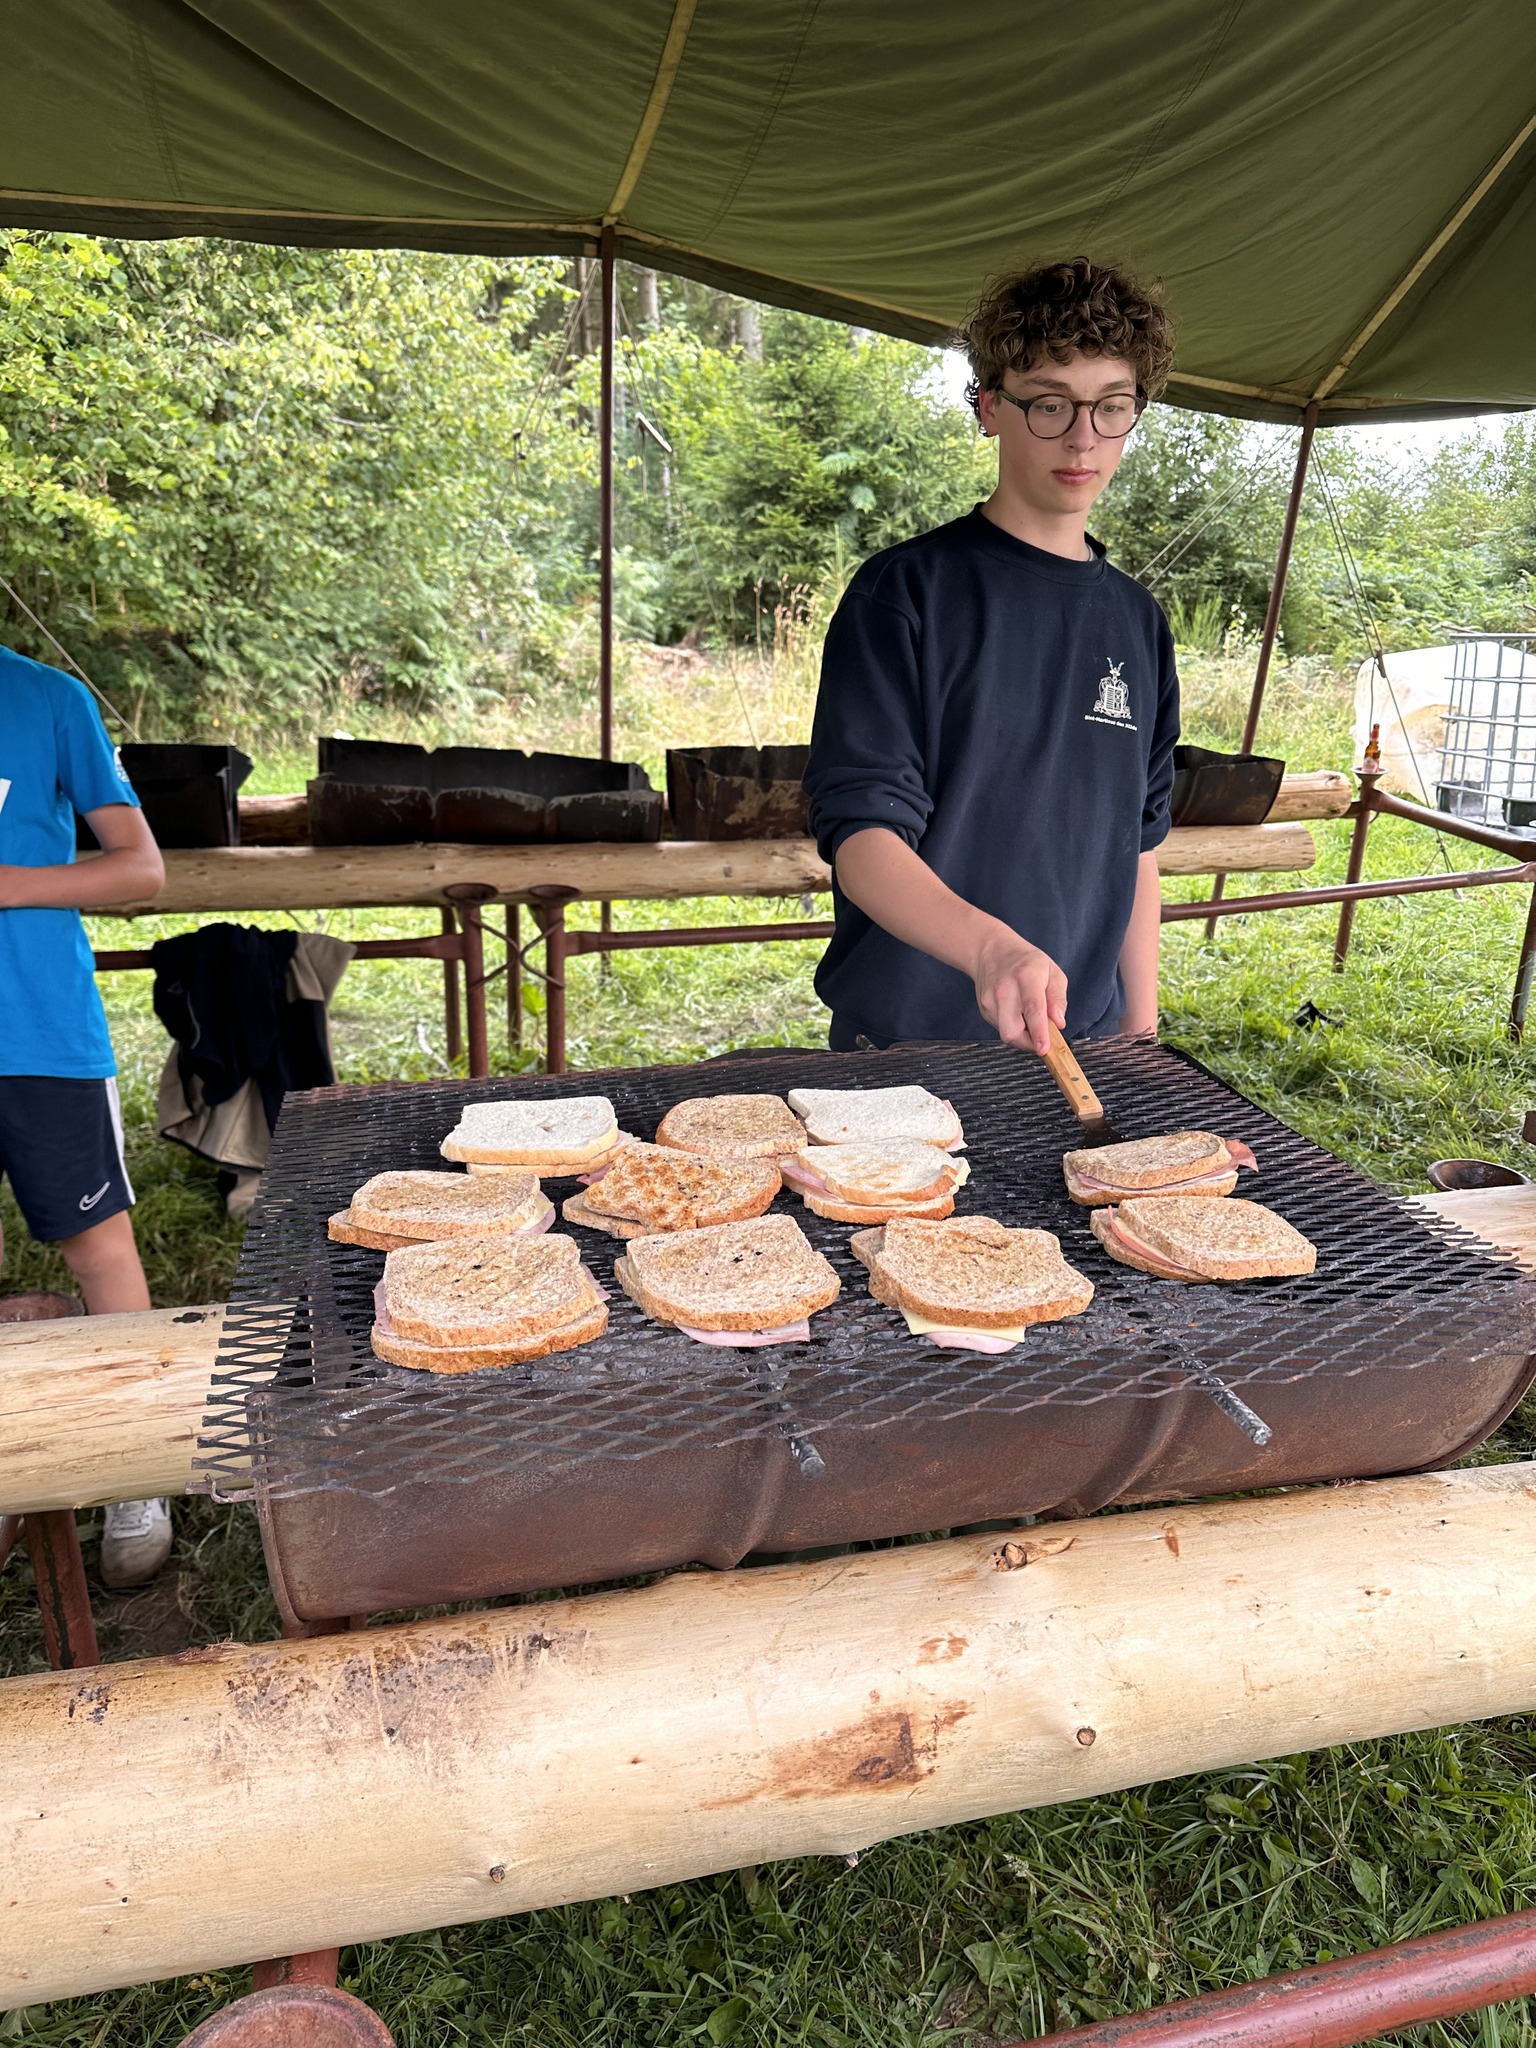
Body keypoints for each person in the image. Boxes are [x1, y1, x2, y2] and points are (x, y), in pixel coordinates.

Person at [804, 257, 1180, 1057]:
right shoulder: (904, 594)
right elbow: (862, 840)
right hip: (907, 1045)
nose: (1083, 437)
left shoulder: (1139, 624)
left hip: (1076, 1042)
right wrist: (991, 950)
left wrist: (1141, 1032)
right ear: (989, 407)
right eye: (1050, 404)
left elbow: (1139, 847)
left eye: (1111, 407)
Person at [0, 642, 169, 1586]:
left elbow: (140, 870)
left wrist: (10, 882)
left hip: (40, 1033)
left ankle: (136, 1471)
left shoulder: (45, 699)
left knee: (98, 1248)